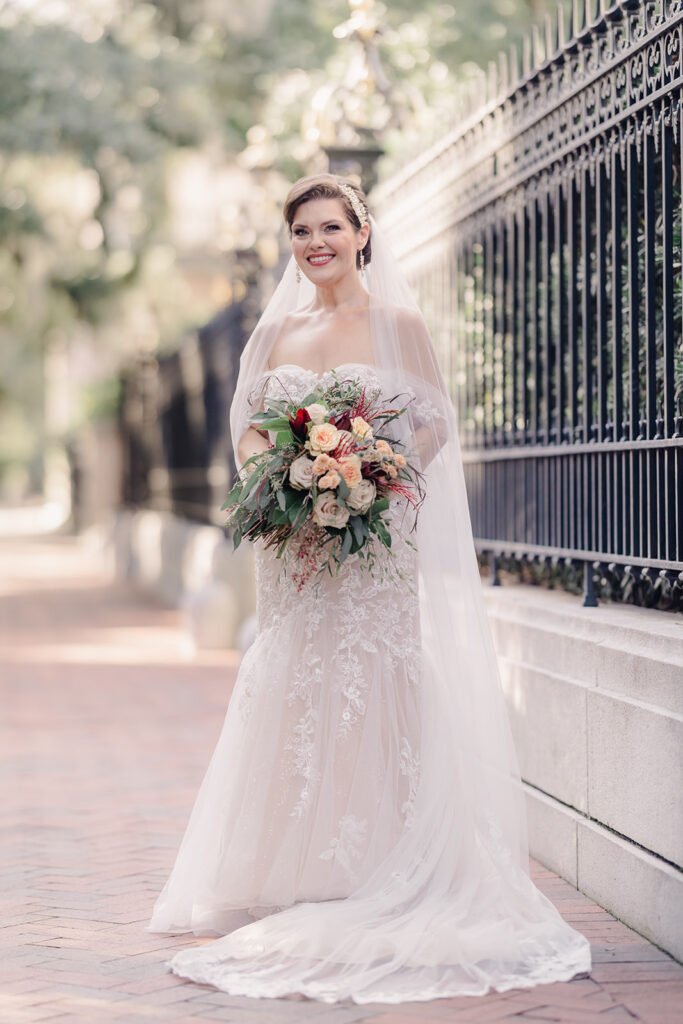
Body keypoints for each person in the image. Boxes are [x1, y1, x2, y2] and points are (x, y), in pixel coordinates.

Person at [146, 173, 591, 1003]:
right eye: (300, 231)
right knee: (293, 672)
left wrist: (372, 478)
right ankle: (288, 862)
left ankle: (378, 858)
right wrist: (281, 483)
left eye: (329, 228)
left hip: (374, 539)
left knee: (372, 673)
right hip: (290, 542)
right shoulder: (275, 329)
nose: (315, 243)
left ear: (360, 234)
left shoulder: (398, 324)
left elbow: (433, 420)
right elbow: (248, 429)